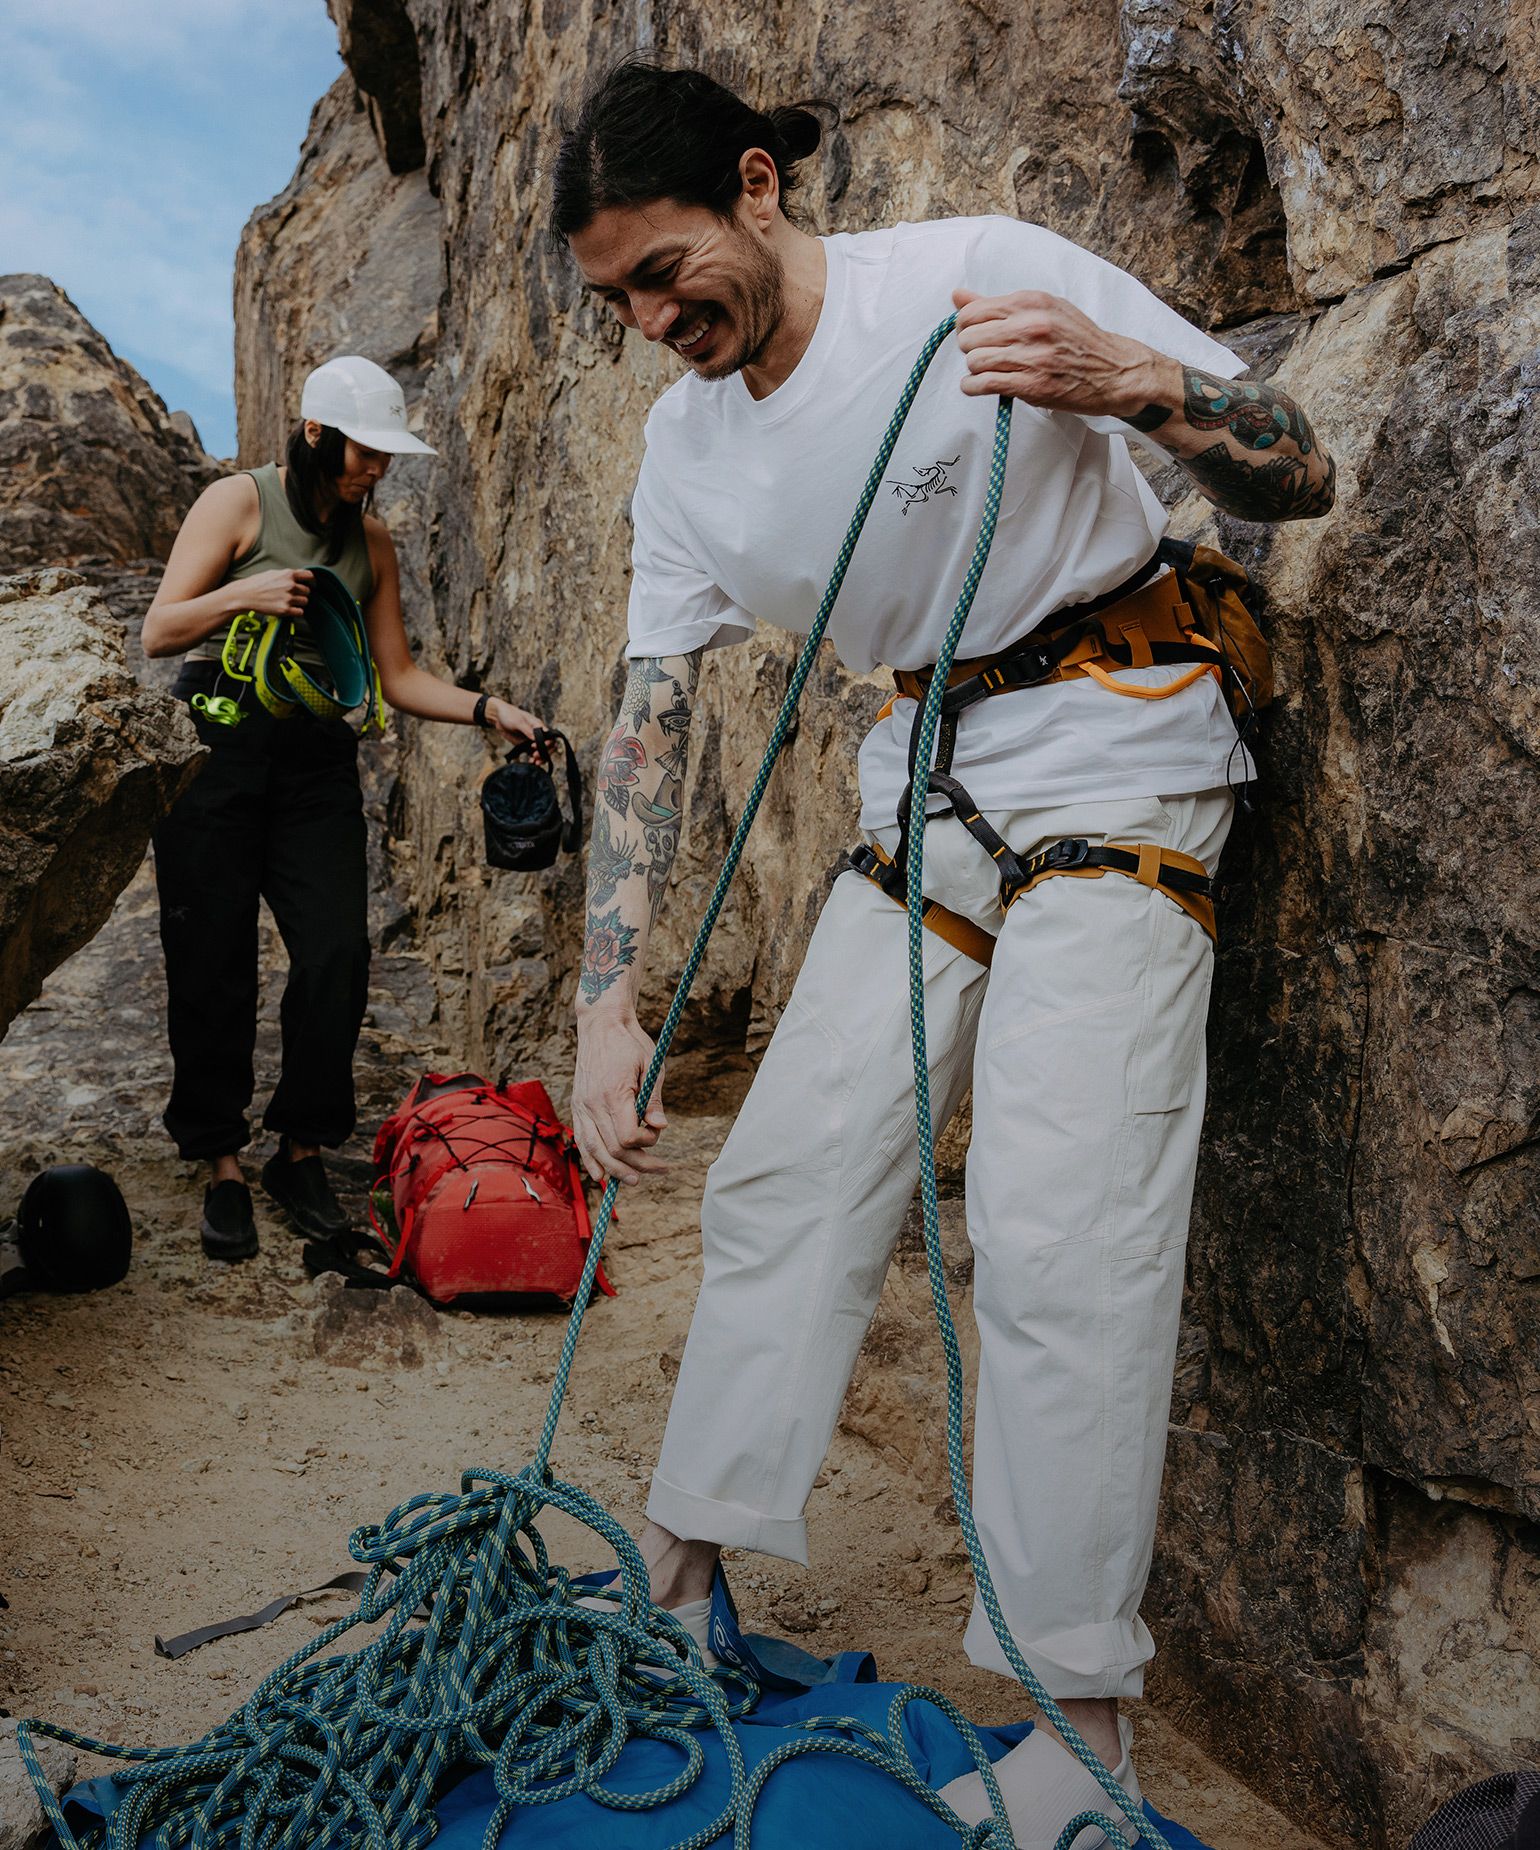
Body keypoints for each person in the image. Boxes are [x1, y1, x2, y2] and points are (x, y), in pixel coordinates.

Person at [556, 60, 1335, 1844]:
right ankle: (677, 1590)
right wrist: (608, 1000)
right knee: (790, 1177)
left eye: (672, 270)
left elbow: (1296, 463)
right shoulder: (683, 455)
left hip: (1126, 732)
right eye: (616, 301)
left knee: (1063, 1225)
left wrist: (1134, 378)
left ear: (759, 187)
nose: (659, 320)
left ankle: (1084, 1737)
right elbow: (652, 717)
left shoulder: (972, 274)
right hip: (927, 780)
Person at [143, 356, 546, 1264]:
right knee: (211, 954)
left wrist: (489, 710)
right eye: (368, 452)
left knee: (336, 949)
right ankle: (219, 1162)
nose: (378, 470)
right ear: (318, 434)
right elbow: (160, 629)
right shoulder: (238, 503)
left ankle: (300, 1150)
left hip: (317, 760)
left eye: (388, 456)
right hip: (218, 739)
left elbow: (396, 678)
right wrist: (246, 591)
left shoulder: (375, 547)